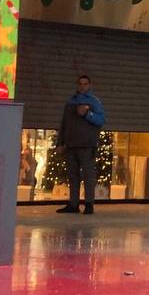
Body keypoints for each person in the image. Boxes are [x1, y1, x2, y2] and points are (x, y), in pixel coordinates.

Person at [57, 75, 105, 215]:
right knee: (73, 176)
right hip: (71, 145)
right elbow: (64, 123)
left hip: (87, 145)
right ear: (77, 85)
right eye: (80, 83)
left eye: (85, 84)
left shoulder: (94, 102)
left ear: (89, 85)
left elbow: (101, 120)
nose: (82, 86)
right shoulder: (70, 102)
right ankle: (74, 204)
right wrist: (60, 143)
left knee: (88, 176)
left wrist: (87, 114)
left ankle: (89, 204)